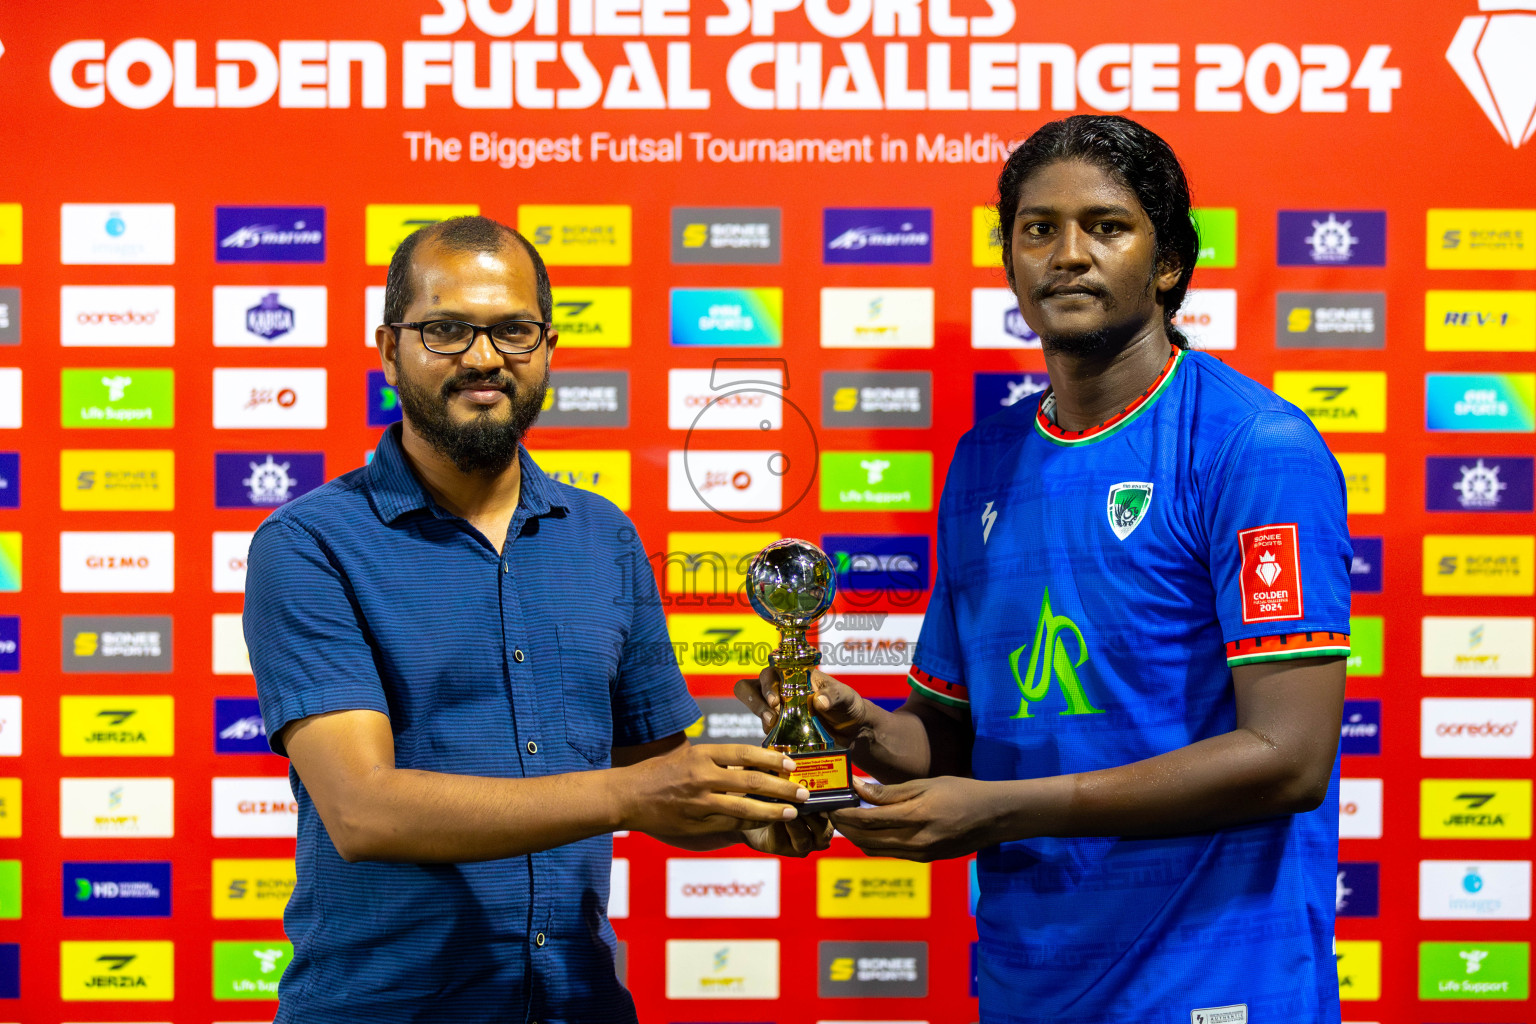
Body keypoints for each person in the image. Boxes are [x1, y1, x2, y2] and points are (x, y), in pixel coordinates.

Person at [739, 115, 1351, 1024]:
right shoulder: (984, 460)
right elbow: (950, 740)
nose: (1068, 254)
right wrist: (855, 726)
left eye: (1106, 226)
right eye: (1038, 229)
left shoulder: (1252, 448)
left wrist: (1003, 811)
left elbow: (1288, 759)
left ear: (1170, 262)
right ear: (1010, 260)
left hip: (1214, 985)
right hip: (1031, 984)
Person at [244, 215, 823, 1024]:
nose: (484, 358)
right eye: (447, 330)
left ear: (547, 345)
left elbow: (655, 783)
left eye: (513, 330)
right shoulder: (308, 543)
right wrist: (633, 793)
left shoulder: (604, 535)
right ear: (388, 346)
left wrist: (751, 816)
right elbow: (363, 811)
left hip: (578, 1006)